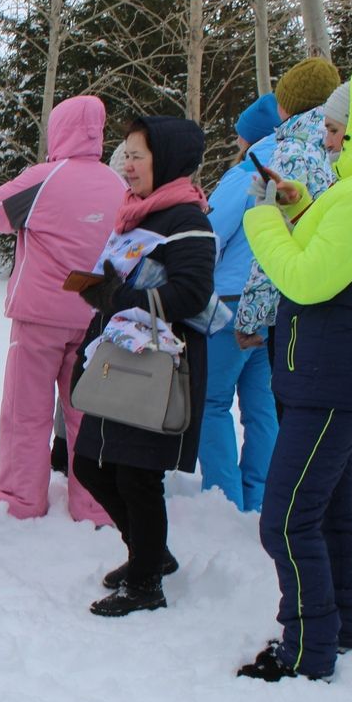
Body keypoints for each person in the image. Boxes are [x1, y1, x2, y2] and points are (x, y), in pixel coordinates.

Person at [237, 59, 352, 682]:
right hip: (334, 375)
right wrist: (297, 209)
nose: (327, 140)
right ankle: (340, 623)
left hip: (329, 377)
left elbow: (304, 278)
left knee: (286, 518)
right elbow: (330, 256)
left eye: (337, 131)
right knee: (330, 509)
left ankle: (305, 650)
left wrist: (263, 219)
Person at [70, 116, 216, 617]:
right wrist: (102, 293)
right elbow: (124, 285)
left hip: (157, 365)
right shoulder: (136, 215)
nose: (127, 165)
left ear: (167, 160)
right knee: (90, 462)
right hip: (120, 355)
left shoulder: (188, 220)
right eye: (125, 154)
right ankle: (149, 554)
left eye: (138, 155)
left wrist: (121, 295)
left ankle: (147, 581)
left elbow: (192, 292)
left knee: (138, 475)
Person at [0, 94, 125, 527]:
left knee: (25, 412)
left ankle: (22, 501)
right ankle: (95, 505)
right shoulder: (119, 185)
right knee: (90, 413)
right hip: (97, 318)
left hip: (40, 318)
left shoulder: (43, 178)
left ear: (58, 130)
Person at [198, 95, 282, 512]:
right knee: (261, 406)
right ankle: (260, 496)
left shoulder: (245, 174)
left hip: (231, 300)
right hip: (275, 302)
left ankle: (223, 499)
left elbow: (211, 234)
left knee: (212, 401)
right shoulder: (298, 171)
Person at [234, 58, 341, 373]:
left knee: (293, 406)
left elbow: (275, 238)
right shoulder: (337, 150)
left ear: (285, 105)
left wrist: (249, 317)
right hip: (331, 295)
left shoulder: (291, 153)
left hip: (293, 301)